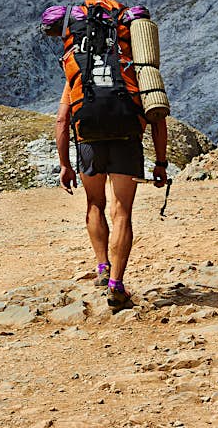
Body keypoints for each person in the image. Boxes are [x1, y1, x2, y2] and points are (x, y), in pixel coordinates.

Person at [56, 82, 168, 311]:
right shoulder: (131, 66)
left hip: (88, 141)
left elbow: (62, 119)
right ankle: (116, 285)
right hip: (126, 141)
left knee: (94, 203)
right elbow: (157, 116)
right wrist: (160, 162)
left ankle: (102, 268)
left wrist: (65, 165)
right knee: (122, 212)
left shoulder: (79, 66)